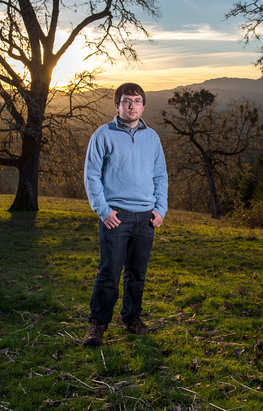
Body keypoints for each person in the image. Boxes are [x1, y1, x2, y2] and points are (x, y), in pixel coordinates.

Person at [82, 82, 168, 347]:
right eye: (126, 101)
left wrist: (160, 208)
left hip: (146, 217)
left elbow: (160, 176)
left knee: (137, 274)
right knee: (109, 272)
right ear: (117, 105)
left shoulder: (152, 137)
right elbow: (92, 175)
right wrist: (103, 210)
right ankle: (97, 325)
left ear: (143, 105)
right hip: (115, 216)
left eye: (137, 101)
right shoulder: (103, 135)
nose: (132, 106)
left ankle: (132, 319)